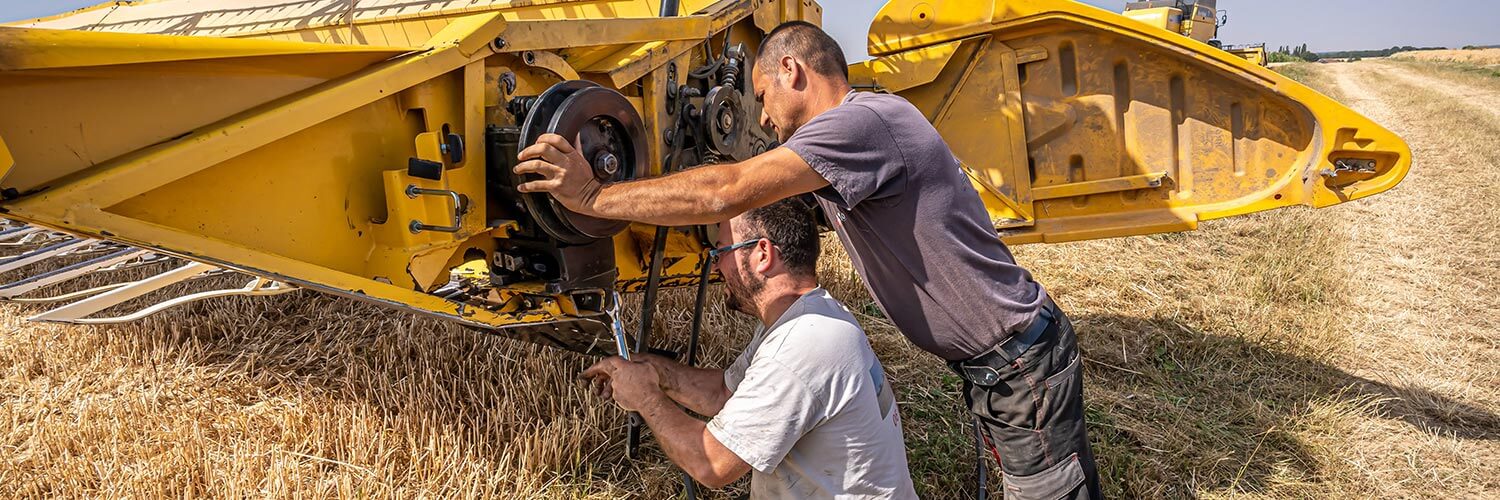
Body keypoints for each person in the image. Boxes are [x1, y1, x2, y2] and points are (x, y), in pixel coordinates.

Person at [520, 21, 1101, 500]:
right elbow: (769, 223)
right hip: (1001, 363)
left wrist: (593, 197)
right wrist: (663, 371)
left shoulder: (861, 123)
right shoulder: (853, 142)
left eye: (763, 96)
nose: (764, 118)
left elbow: (730, 191)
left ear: (792, 71)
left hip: (1018, 362)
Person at [581, 199, 915, 498]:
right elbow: (722, 394)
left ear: (763, 254)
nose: (715, 266)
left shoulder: (802, 347)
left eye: (721, 251)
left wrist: (645, 397)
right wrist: (654, 371)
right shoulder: (810, 316)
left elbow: (712, 464)